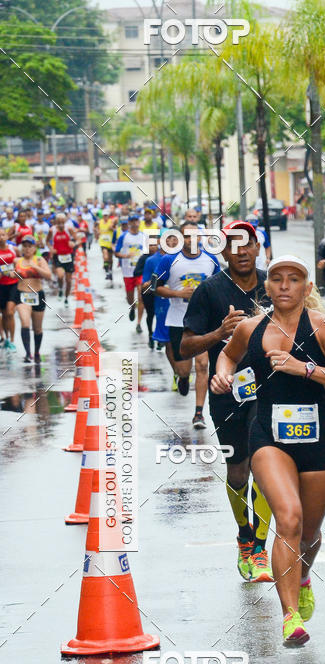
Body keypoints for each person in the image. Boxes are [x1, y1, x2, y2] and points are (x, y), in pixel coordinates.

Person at [211, 255, 325, 646]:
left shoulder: (323, 327)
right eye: (276, 278)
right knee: (288, 518)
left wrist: (304, 368)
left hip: (320, 441)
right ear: (268, 286)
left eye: (294, 279)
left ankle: (305, 576)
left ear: (306, 288)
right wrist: (223, 373)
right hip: (268, 436)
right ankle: (289, 616)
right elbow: (228, 354)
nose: (284, 285)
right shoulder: (251, 328)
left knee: (309, 533)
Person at [181, 222, 274, 581]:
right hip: (227, 391)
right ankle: (244, 536)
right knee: (239, 468)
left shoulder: (274, 284)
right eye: (232, 245)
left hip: (270, 390)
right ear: (223, 251)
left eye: (247, 243)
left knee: (265, 465)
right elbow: (186, 346)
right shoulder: (209, 290)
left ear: (256, 246)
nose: (241, 251)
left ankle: (261, 548)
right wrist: (219, 333)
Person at [154, 222, 219, 406]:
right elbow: (154, 287)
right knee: (184, 370)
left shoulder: (211, 260)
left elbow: (220, 285)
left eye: (195, 235)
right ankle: (181, 378)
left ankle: (199, 412)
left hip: (203, 322)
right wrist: (178, 293)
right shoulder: (169, 260)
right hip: (178, 320)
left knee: (202, 365)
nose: (192, 240)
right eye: (187, 236)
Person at [14, 235, 52, 362]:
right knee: (25, 323)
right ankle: (27, 353)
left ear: (34, 248)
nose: (27, 249)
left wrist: (35, 267)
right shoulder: (17, 261)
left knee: (37, 328)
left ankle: (36, 352)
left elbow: (48, 276)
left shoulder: (40, 260)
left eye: (30, 246)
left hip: (37, 294)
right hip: (21, 295)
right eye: (24, 246)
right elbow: (8, 273)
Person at [114, 213, 145, 331]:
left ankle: (138, 323)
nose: (134, 223)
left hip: (140, 271)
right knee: (130, 298)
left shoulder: (143, 236)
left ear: (139, 222)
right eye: (132, 221)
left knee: (141, 296)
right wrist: (125, 256)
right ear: (129, 223)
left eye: (136, 220)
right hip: (127, 271)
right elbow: (116, 253)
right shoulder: (123, 236)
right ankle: (132, 308)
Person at [48, 212, 76, 304]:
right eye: (58, 222)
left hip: (69, 256)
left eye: (62, 222)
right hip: (58, 256)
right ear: (55, 222)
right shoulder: (52, 230)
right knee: (60, 276)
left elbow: (77, 239)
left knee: (68, 280)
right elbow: (47, 241)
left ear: (65, 221)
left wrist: (73, 243)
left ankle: (66, 298)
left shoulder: (69, 229)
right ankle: (60, 288)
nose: (60, 224)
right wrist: (51, 248)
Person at [0, 227, 19, 350]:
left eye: (3, 235)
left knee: (10, 313)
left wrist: (16, 271)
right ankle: (5, 338)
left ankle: (12, 340)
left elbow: (21, 263)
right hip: (1, 285)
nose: (1, 237)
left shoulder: (13, 249)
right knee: (3, 314)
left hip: (13, 284)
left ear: (7, 236)